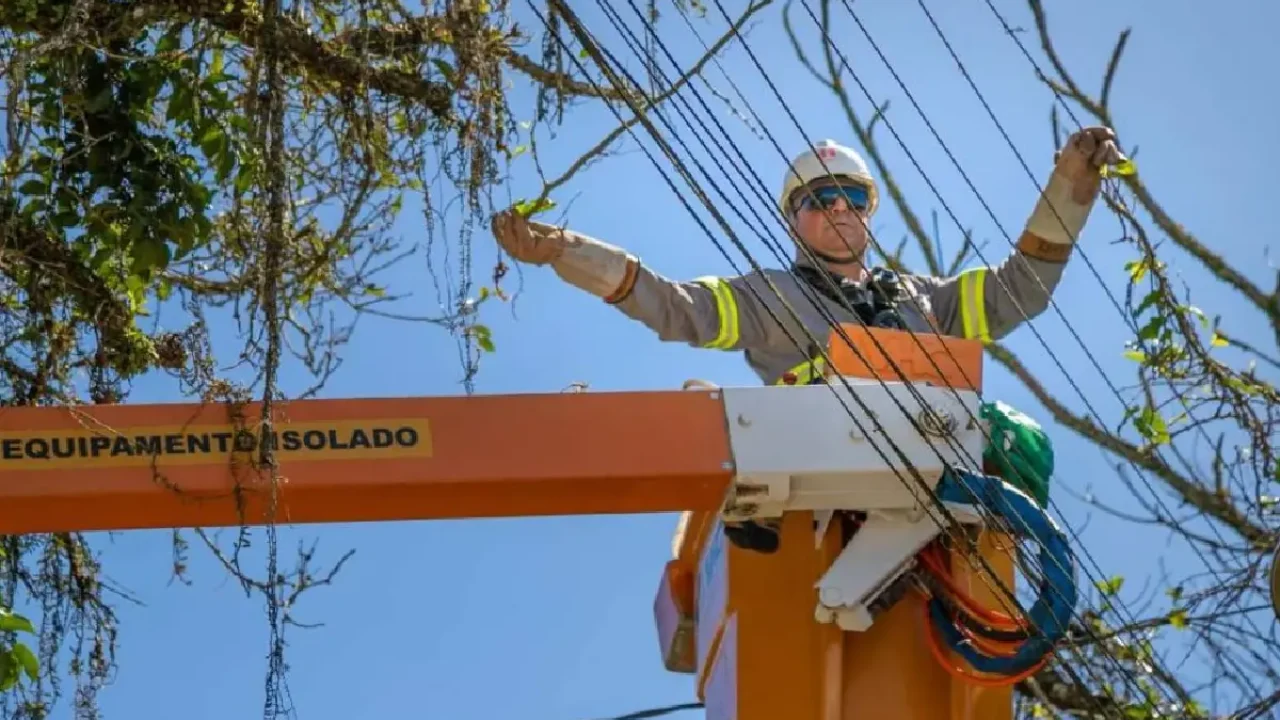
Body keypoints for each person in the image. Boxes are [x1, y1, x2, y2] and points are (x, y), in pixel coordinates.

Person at [490, 126, 1125, 553]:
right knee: (714, 409)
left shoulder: (923, 298)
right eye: (820, 199)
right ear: (795, 219)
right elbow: (673, 307)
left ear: (869, 211)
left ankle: (994, 549)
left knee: (1024, 442)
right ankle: (751, 504)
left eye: (851, 196)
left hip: (934, 466)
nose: (840, 209)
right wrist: (564, 252)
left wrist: (1071, 189)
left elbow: (1021, 289)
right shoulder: (769, 296)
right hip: (830, 466)